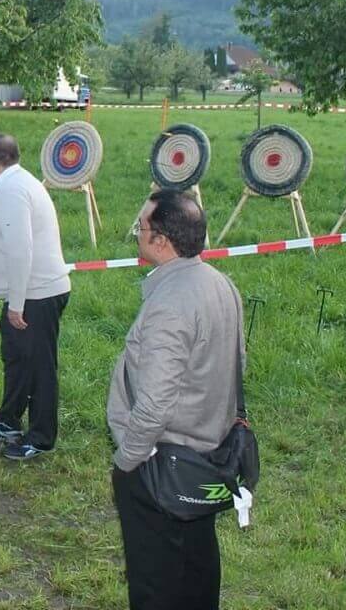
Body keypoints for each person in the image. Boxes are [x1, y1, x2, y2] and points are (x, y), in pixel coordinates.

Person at [107, 189, 244, 610]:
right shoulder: (220, 283)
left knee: (155, 579)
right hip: (205, 457)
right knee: (197, 564)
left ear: (161, 240)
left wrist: (128, 460)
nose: (137, 233)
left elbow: (155, 403)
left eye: (142, 226)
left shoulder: (169, 304)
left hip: (160, 464)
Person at [0, 133, 72, 460]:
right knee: (16, 359)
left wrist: (16, 305)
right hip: (29, 293)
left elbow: (20, 250)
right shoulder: (17, 183)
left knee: (40, 367)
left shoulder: (11, 191)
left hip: (36, 295)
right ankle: (8, 421)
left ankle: (41, 437)